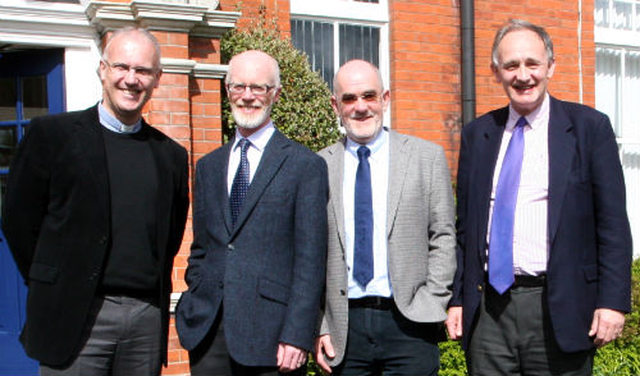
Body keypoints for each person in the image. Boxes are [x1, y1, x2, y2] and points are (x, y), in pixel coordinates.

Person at [446, 19, 633, 376]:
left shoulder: (589, 129)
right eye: (512, 65)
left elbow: (612, 225)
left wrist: (612, 302)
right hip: (489, 313)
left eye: (532, 63)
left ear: (550, 66)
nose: (523, 75)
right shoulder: (478, 135)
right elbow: (465, 230)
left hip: (560, 305)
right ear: (496, 71)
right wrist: (457, 298)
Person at [1, 27, 189, 376]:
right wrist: (56, 279)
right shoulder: (52, 136)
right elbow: (18, 221)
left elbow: (170, 235)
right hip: (75, 314)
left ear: (157, 78)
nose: (131, 79)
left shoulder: (171, 156)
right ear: (102, 69)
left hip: (144, 319)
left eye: (143, 71)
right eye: (121, 67)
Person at [175, 50, 328, 376]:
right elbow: (202, 246)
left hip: (272, 339)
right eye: (238, 86)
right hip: (208, 331)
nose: (247, 96)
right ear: (227, 90)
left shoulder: (305, 166)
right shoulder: (208, 166)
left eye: (258, 88)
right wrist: (196, 291)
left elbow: (310, 259)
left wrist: (297, 334)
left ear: (276, 93)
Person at [313, 59, 456, 376]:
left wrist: (432, 300)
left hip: (410, 323)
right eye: (349, 99)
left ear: (386, 99)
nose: (361, 107)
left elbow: (444, 236)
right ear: (336, 105)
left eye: (369, 96)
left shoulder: (425, 157)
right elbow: (309, 253)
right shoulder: (318, 166)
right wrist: (320, 324)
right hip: (344, 328)